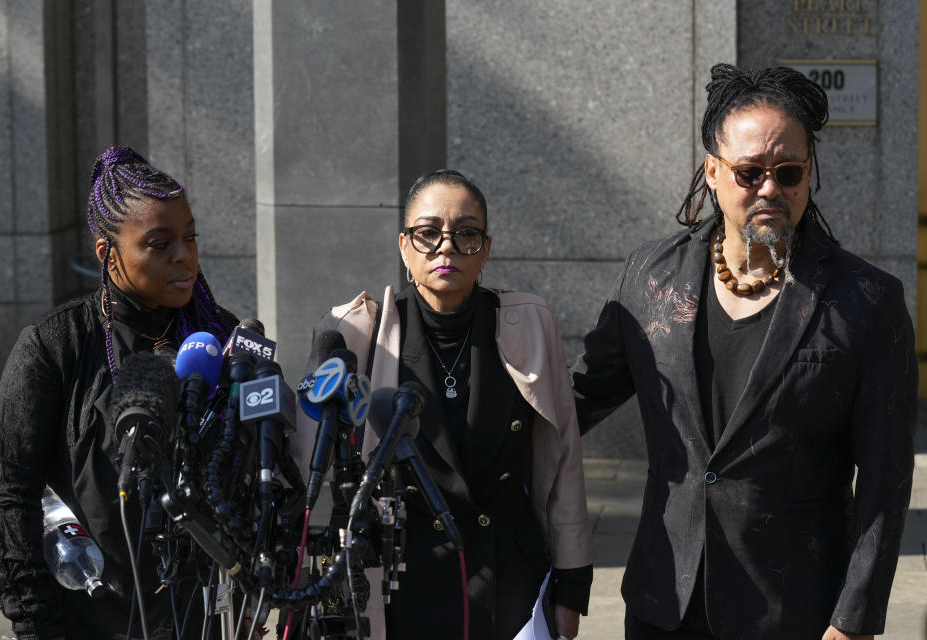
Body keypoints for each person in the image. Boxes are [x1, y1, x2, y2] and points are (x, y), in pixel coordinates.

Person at [572, 64, 917, 640]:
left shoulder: (868, 301)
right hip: (666, 601)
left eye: (788, 173)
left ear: (809, 174)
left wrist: (854, 619)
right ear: (712, 171)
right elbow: (579, 396)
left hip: (794, 608)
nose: (769, 190)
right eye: (750, 172)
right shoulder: (650, 278)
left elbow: (887, 477)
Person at [292, 169, 593, 639]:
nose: (446, 247)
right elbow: (310, 465)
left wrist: (572, 584)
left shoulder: (528, 323)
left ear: (486, 249)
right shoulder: (362, 334)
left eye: (466, 234)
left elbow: (563, 461)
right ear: (404, 246)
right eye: (428, 233)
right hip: (405, 584)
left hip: (510, 579)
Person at [0, 146, 238, 640]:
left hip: (206, 617)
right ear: (106, 254)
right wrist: (39, 624)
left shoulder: (220, 337)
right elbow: (5, 492)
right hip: (89, 619)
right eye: (159, 243)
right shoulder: (57, 344)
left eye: (190, 236)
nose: (184, 255)